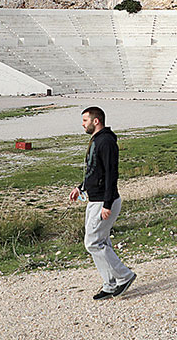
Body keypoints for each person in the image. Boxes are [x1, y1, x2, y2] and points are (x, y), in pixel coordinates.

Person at [69, 106, 137, 300]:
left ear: (96, 121)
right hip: (94, 199)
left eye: (85, 120)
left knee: (93, 242)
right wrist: (81, 188)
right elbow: (94, 170)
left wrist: (107, 204)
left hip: (103, 201)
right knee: (101, 241)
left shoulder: (106, 141)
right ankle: (110, 284)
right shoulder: (97, 140)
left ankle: (124, 276)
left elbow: (111, 174)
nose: (83, 124)